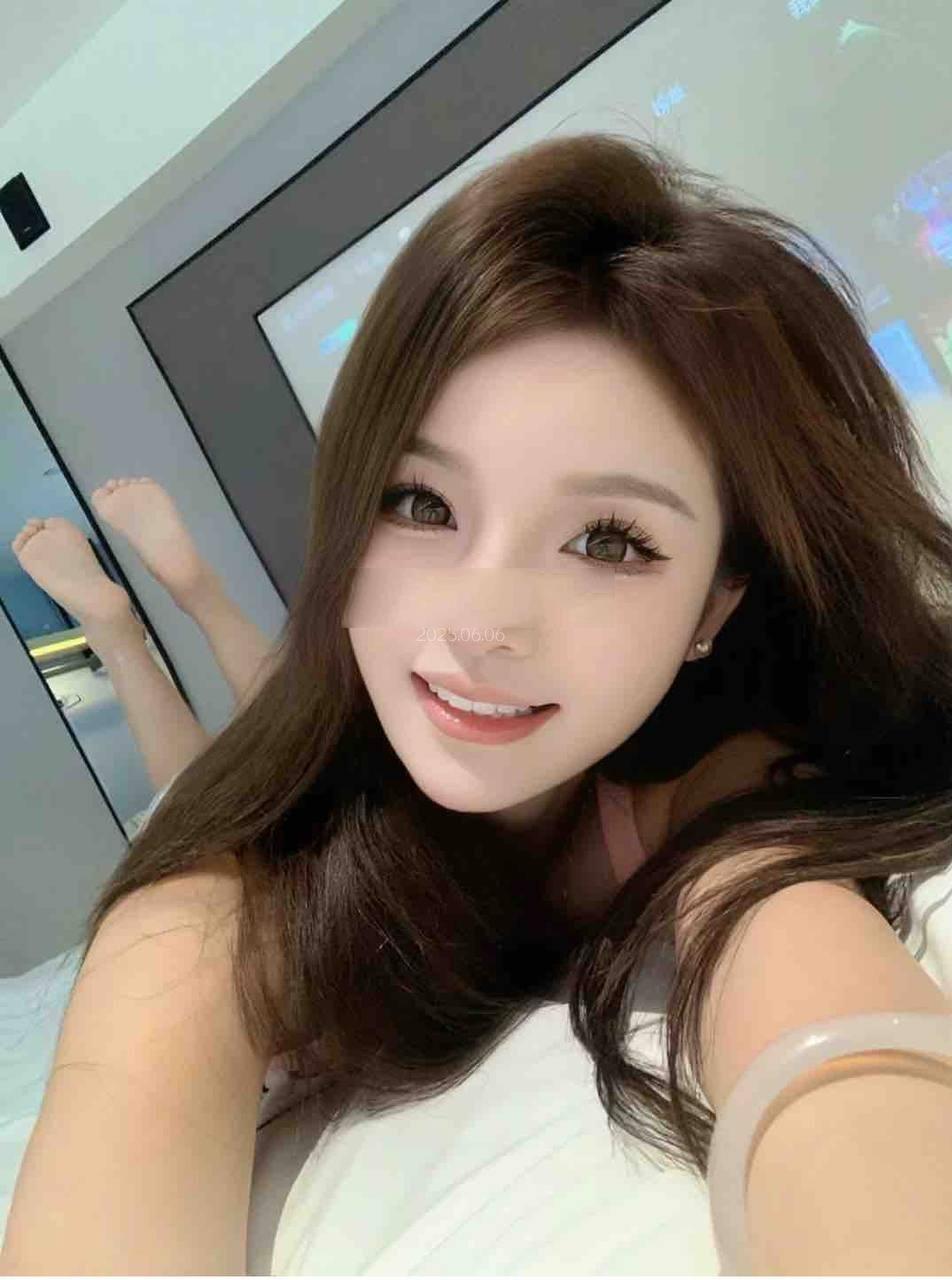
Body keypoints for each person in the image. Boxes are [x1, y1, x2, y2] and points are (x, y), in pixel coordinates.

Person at [3, 132, 952, 1275]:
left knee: (286, 701)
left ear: (715, 600)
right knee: (218, 767)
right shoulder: (207, 915)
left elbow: (806, 985)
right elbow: (130, 1095)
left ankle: (176, 602)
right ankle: (134, 618)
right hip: (276, 779)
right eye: (420, 501)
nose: (483, 621)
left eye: (609, 539)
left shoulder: (703, 785)